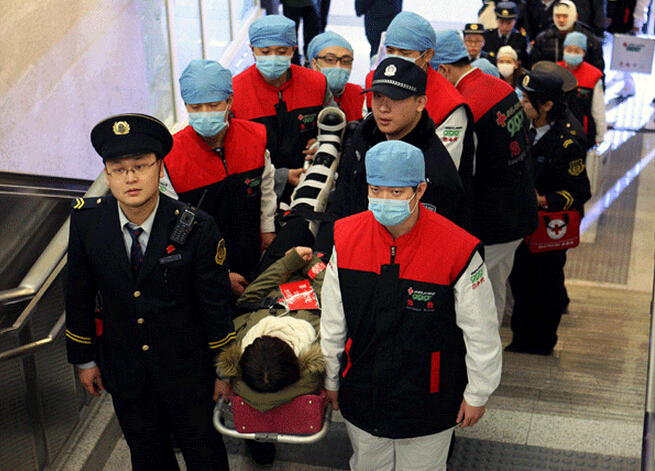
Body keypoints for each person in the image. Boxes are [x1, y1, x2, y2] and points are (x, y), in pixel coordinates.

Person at [66, 113, 236, 471]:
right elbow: (78, 292)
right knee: (147, 457)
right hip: (127, 370)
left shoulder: (196, 228)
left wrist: (225, 369)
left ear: (160, 168)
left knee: (205, 454)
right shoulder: (87, 222)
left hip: (188, 369)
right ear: (107, 174)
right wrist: (84, 358)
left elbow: (215, 306)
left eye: (140, 166)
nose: (130, 178)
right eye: (118, 168)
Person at [320, 140, 502, 471]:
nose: (384, 200)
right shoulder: (345, 238)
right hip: (363, 388)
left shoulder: (457, 249)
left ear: (420, 190)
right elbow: (334, 320)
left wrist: (478, 393)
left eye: (396, 192)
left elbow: (482, 331)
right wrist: (331, 378)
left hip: (429, 394)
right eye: (376, 190)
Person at [432, 29, 539, 325]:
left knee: (477, 303)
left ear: (443, 68)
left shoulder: (467, 105)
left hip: (493, 221)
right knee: (494, 290)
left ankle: (479, 366)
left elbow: (461, 173)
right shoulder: (500, 86)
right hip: (518, 210)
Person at [317, 57, 469, 251]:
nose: (382, 108)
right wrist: (324, 248)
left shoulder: (434, 170)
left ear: (420, 103)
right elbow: (343, 197)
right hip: (351, 248)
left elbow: (434, 244)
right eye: (378, 96)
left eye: (395, 98)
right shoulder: (364, 136)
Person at [164, 60, 276, 297]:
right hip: (203, 274)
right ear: (185, 105)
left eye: (214, 105)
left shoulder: (254, 139)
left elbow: (265, 191)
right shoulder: (171, 158)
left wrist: (268, 231)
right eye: (195, 107)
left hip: (253, 258)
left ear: (230, 101)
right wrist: (218, 275)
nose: (205, 114)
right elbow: (175, 233)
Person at [217, 246, 326, 466]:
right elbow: (331, 289)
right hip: (311, 275)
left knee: (292, 237)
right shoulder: (316, 348)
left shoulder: (242, 356)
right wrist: (308, 262)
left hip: (275, 277)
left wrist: (288, 264)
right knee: (313, 232)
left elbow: (251, 296)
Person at [508, 70, 591, 354]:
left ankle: (543, 342)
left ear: (546, 106)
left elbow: (580, 193)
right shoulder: (523, 128)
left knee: (546, 284)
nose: (522, 104)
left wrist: (544, 200)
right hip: (523, 226)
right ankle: (520, 340)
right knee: (520, 282)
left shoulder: (568, 141)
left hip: (550, 228)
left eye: (528, 100)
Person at [364, 11, 476, 197]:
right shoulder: (373, 82)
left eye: (405, 53)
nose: (396, 58)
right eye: (390, 50)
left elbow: (441, 172)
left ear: (428, 55)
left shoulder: (449, 103)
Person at [231, 15, 333, 205]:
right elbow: (233, 153)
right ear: (252, 50)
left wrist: (323, 143)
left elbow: (333, 125)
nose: (273, 57)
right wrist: (280, 176)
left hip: (310, 183)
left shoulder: (316, 83)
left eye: (281, 51)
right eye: (265, 51)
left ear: (293, 50)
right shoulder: (235, 92)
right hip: (257, 192)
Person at [557, 32, 606, 149]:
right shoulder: (555, 70)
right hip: (557, 130)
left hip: (583, 133)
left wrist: (600, 136)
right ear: (563, 50)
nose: (572, 54)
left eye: (577, 51)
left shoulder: (593, 75)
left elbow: (598, 109)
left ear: (584, 52)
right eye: (569, 50)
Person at [531, 0, 605, 73]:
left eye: (565, 16)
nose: (561, 20)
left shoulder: (590, 41)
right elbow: (534, 66)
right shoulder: (543, 39)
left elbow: (598, 71)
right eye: (557, 16)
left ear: (575, 17)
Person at [307, 31, 365, 122]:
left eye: (345, 61)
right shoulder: (302, 95)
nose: (338, 66)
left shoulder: (357, 94)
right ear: (314, 64)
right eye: (330, 60)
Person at [483, 1, 531, 67]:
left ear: (514, 22)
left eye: (508, 23)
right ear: (497, 20)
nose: (504, 26)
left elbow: (525, 61)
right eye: (501, 22)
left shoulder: (521, 38)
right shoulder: (488, 35)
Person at [281, 0, 321, 65]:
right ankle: (294, 64)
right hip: (291, 4)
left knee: (312, 33)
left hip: (311, 3)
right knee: (291, 35)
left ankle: (310, 61)